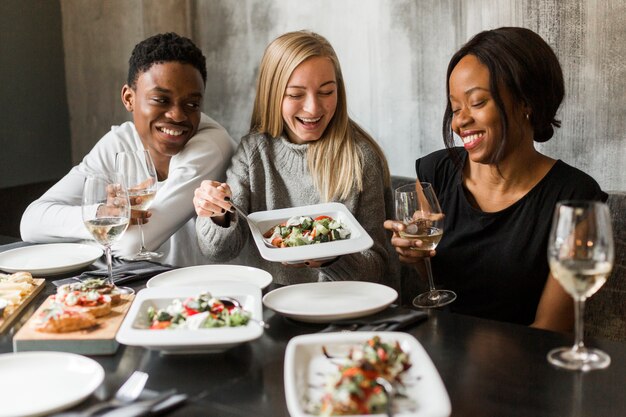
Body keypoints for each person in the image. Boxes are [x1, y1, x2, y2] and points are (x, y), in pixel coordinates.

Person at [384, 27, 607, 332]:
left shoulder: (574, 197)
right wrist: (415, 258)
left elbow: (552, 329)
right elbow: (439, 289)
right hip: (439, 351)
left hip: (523, 365)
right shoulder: (435, 173)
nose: (460, 121)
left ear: (526, 101)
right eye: (455, 107)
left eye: (477, 103)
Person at [193, 30, 396, 287]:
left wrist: (330, 258)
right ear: (273, 94)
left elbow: (377, 269)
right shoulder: (254, 153)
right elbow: (219, 251)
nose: (313, 108)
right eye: (296, 94)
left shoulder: (360, 158)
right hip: (272, 305)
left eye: (326, 92)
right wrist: (217, 213)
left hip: (341, 309)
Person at [20, 32, 235, 267]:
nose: (177, 115)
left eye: (192, 104)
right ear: (129, 98)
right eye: (161, 100)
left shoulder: (211, 145)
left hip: (210, 292)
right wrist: (103, 213)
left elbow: (132, 245)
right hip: (145, 285)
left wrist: (105, 233)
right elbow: (31, 222)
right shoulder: (118, 142)